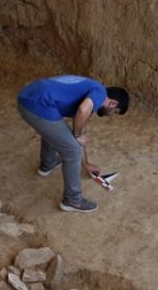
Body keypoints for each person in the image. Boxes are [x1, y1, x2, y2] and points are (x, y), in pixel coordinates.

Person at [16, 75, 130, 213]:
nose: (109, 115)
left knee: (57, 131)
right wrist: (77, 135)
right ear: (112, 103)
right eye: (114, 112)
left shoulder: (93, 89)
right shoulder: (100, 94)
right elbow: (82, 111)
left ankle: (48, 164)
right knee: (73, 151)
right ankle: (72, 200)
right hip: (37, 105)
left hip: (28, 96)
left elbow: (80, 128)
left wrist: (86, 163)